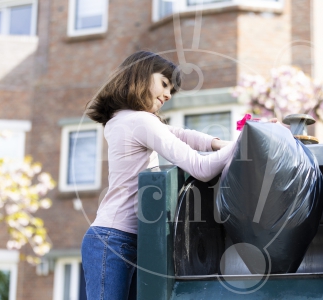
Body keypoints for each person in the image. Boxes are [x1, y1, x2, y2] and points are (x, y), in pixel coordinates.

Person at [80, 51, 236, 300]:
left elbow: (181, 134)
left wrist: (218, 144)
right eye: (164, 84)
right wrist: (245, 143)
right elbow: (201, 169)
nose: (167, 95)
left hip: (119, 238)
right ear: (140, 75)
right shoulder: (139, 121)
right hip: (114, 239)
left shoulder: (124, 119)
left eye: (171, 91)